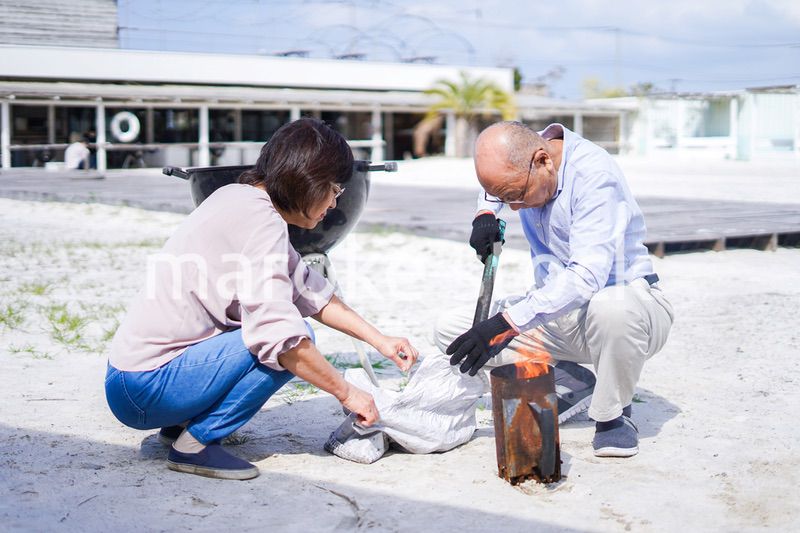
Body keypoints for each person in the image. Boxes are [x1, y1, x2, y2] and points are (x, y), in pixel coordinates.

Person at [105, 118, 418, 480]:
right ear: (308, 181)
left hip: (133, 379)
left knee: (283, 332)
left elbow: (308, 290)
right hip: (145, 388)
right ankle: (195, 445)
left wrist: (381, 341)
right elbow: (280, 337)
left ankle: (179, 426)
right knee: (291, 338)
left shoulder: (241, 199)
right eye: (334, 189)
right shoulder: (261, 220)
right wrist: (347, 393)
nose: (334, 202)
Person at [434, 121, 674, 458]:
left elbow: (587, 276)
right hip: (562, 313)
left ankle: (613, 416)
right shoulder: (525, 160)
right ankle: (574, 381)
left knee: (611, 308)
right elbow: (499, 183)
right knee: (451, 330)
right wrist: (486, 212)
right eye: (507, 198)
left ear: (544, 161)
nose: (515, 207)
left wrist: (505, 324)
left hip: (628, 310)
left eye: (516, 196)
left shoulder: (595, 178)